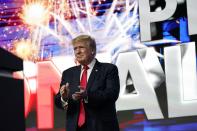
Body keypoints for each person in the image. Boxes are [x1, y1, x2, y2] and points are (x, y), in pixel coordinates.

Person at [55, 35, 120, 131]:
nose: (77, 52)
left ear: (92, 50)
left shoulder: (108, 69)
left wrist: (87, 95)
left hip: (101, 127)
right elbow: (58, 101)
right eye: (75, 49)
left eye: (81, 47)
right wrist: (64, 98)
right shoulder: (68, 73)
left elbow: (111, 95)